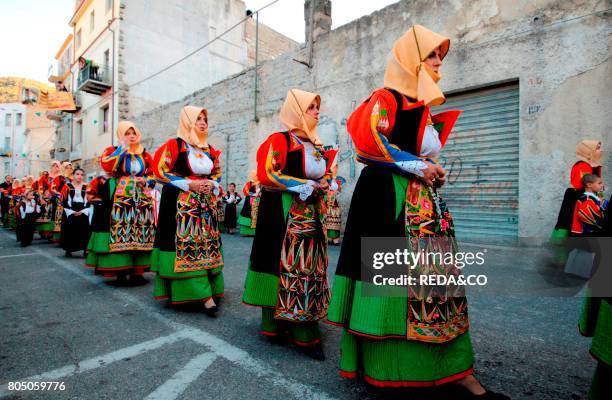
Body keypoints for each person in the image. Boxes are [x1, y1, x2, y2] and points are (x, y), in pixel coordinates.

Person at [326, 25, 509, 399]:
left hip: (422, 203)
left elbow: (421, 156)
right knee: (391, 283)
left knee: (439, 283)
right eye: (431, 55)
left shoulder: (421, 108)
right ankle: (391, 367)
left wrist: (430, 170)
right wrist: (416, 166)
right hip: (386, 200)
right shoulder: (386, 97)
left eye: (441, 56)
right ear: (411, 59)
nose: (439, 62)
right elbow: (367, 142)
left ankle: (455, 368)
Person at [242, 89, 337, 360]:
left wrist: (324, 182)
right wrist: (301, 184)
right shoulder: (280, 140)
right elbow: (267, 173)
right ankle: (286, 325)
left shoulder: (316, 144)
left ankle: (303, 322)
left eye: (318, 107)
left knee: (310, 267)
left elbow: (326, 172)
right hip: (284, 214)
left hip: (311, 214)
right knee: (285, 265)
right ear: (296, 110)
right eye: (311, 107)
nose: (317, 112)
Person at [152, 106, 224, 316]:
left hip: (205, 206)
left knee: (207, 244)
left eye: (205, 119)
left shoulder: (208, 149)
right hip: (181, 206)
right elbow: (160, 171)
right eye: (198, 119)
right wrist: (187, 184)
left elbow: (217, 173)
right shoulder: (175, 145)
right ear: (187, 122)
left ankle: (210, 288)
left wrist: (212, 183)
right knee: (188, 247)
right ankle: (204, 296)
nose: (203, 123)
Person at [87, 122, 156, 283]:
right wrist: (122, 150)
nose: (131, 136)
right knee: (121, 231)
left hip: (141, 199)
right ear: (121, 135)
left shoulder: (144, 154)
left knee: (141, 231)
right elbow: (107, 165)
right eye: (127, 133)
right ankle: (120, 269)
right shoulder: (112, 150)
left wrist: (145, 181)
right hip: (121, 196)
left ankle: (138, 271)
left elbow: (154, 174)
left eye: (133, 133)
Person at [61, 168, 92, 257]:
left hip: (83, 209)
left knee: (84, 230)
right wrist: (71, 211)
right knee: (70, 229)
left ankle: (85, 249)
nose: (79, 176)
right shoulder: (67, 186)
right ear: (73, 175)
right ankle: (69, 249)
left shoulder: (86, 187)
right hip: (71, 209)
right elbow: (63, 200)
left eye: (82, 175)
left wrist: (83, 211)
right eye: (77, 174)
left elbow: (89, 199)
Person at [51, 161, 73, 242]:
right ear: (63, 168)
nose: (69, 169)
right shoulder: (59, 178)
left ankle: (68, 237)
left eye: (70, 168)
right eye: (67, 167)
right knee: (60, 218)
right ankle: (58, 237)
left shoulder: (72, 179)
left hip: (70, 201)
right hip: (60, 200)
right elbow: (52, 189)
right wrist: (60, 194)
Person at [324, 175, 345, 245]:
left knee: (335, 220)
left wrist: (337, 189)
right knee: (327, 220)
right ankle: (329, 238)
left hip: (335, 203)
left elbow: (339, 190)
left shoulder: (337, 180)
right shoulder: (326, 178)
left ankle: (335, 239)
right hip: (327, 201)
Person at [238, 172, 260, 236]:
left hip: (257, 202)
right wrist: (253, 194)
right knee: (247, 214)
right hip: (248, 202)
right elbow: (245, 190)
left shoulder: (260, 184)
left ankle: (253, 232)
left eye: (256, 176)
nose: (255, 177)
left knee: (255, 216)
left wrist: (258, 194)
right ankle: (245, 232)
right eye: (254, 176)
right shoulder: (249, 183)